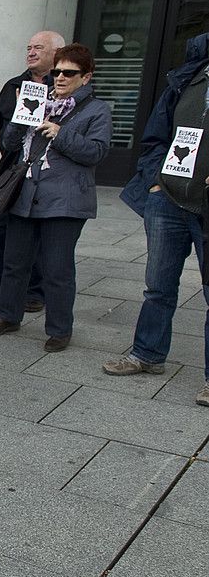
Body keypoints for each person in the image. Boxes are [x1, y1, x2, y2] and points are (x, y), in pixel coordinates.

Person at [0, 43, 112, 352]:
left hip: (64, 201)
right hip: (26, 193)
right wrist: (20, 115)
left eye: (70, 73)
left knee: (57, 269)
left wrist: (59, 131)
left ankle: (59, 329)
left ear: (86, 77)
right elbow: (10, 142)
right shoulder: (38, 101)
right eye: (57, 72)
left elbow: (96, 152)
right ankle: (7, 315)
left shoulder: (97, 110)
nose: (61, 78)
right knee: (14, 262)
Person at [105, 32, 209, 406]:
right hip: (168, 200)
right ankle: (147, 354)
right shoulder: (189, 79)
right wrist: (154, 183)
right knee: (158, 285)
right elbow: (157, 137)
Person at [0, 31, 65, 307]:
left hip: (48, 172)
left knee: (37, 235)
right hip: (11, 166)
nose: (31, 52)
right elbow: (3, 126)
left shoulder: (65, 87)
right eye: (29, 47)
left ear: (57, 54)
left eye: (39, 48)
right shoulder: (14, 85)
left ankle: (34, 291)